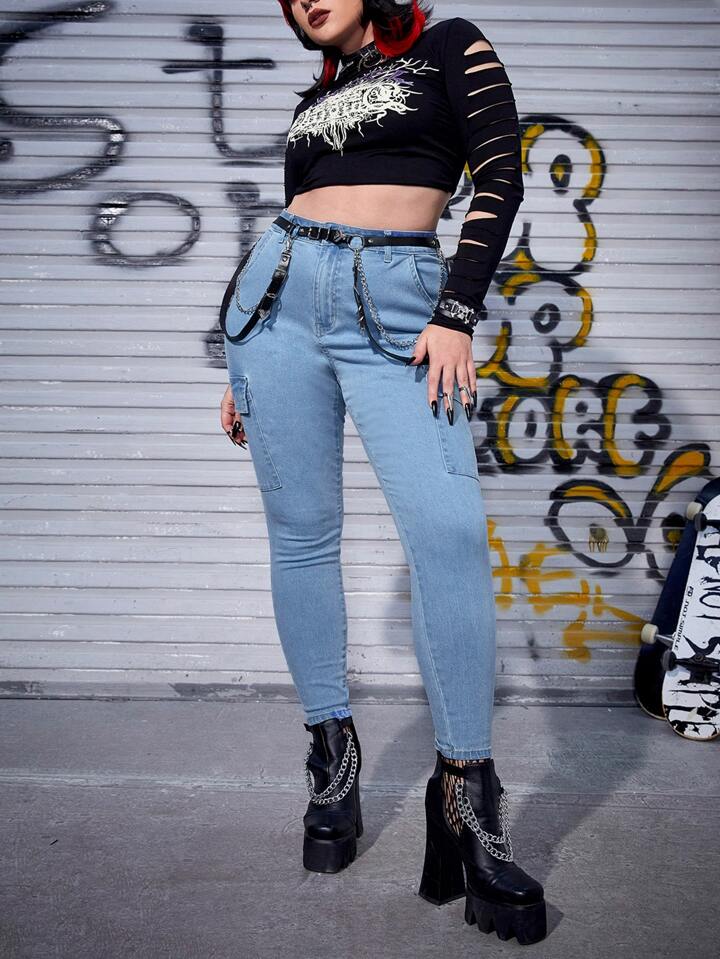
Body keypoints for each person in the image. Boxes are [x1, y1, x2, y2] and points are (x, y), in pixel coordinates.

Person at [219, 0, 547, 945]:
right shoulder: (313, 99)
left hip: (399, 304)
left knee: (447, 532)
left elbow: (501, 175)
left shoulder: (450, 46)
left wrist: (457, 310)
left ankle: (469, 802)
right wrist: (239, 360)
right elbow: (293, 219)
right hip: (273, 308)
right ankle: (332, 761)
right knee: (301, 535)